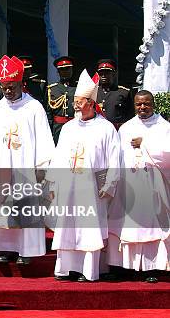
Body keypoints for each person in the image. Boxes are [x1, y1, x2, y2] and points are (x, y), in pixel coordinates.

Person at [48, 69, 120, 282]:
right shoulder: (69, 128)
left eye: (79, 101)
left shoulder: (106, 129)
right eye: (75, 101)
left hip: (92, 189)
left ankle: (88, 271)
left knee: (89, 229)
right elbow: (59, 156)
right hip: (68, 186)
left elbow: (114, 160)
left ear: (90, 102)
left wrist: (108, 184)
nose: (75, 105)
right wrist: (52, 183)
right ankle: (66, 268)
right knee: (67, 227)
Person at [0, 55, 55, 265]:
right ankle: (4, 249)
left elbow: (43, 138)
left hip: (25, 167)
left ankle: (27, 249)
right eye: (5, 86)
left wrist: (42, 166)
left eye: (12, 86)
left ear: (21, 83)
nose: (8, 90)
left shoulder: (34, 108)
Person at [108, 90, 170, 283]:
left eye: (146, 104)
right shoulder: (126, 128)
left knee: (151, 228)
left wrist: (146, 143)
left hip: (153, 184)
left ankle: (151, 268)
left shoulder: (164, 127)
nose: (142, 108)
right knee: (127, 226)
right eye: (138, 104)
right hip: (129, 186)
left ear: (153, 104)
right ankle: (125, 267)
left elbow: (168, 153)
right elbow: (117, 157)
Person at [95, 59, 132, 129]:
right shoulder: (94, 91)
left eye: (107, 73)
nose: (103, 76)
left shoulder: (124, 92)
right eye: (101, 73)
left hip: (117, 130)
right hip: (97, 130)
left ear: (114, 74)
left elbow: (130, 116)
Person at [48, 56, 77, 144]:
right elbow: (49, 113)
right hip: (57, 129)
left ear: (72, 70)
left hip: (75, 127)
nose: (65, 72)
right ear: (58, 71)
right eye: (62, 69)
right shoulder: (52, 89)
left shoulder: (79, 87)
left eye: (68, 69)